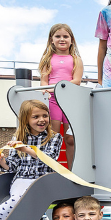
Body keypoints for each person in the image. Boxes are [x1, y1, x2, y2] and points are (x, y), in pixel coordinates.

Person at [38, 23, 84, 168]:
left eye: (65, 36)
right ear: (52, 39)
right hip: (53, 102)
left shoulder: (76, 59)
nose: (62, 39)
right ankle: (52, 169)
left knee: (70, 138)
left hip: (70, 102)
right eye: (58, 36)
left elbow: (76, 81)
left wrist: (60, 88)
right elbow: (44, 82)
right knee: (54, 137)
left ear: (71, 40)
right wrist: (49, 90)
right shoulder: (47, 59)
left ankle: (72, 171)